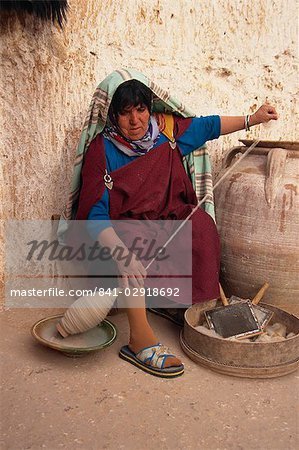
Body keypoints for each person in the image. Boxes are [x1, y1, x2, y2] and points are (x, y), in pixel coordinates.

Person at [60, 69, 278, 378]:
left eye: (140, 109)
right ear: (112, 116)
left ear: (150, 108)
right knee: (132, 246)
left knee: (200, 226)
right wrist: (122, 255)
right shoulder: (102, 149)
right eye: (125, 113)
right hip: (124, 227)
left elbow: (209, 126)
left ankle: (193, 311)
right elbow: (95, 215)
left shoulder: (168, 132)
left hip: (167, 218)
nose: (135, 120)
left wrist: (253, 118)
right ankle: (139, 340)